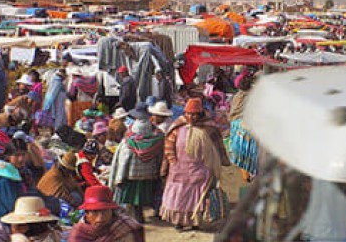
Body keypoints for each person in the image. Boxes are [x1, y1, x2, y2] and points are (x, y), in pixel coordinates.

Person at [159, 98, 230, 231]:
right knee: (179, 196)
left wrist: (218, 163)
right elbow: (169, 145)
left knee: (198, 196)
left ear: (200, 114)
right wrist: (172, 161)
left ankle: (195, 222)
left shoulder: (209, 127)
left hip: (200, 170)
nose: (191, 117)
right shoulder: (178, 126)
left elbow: (217, 145)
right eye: (188, 114)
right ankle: (179, 221)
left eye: (194, 114)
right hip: (178, 170)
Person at [109, 119, 164, 223]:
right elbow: (160, 159)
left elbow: (122, 162)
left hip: (131, 177)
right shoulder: (157, 142)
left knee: (133, 200)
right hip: (149, 176)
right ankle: (143, 215)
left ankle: (136, 217)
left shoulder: (127, 143)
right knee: (142, 198)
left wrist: (119, 177)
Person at [68, 185, 144, 242]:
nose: (100, 218)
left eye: (105, 211)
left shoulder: (126, 227)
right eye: (95, 212)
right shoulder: (78, 234)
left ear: (112, 211)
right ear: (86, 213)